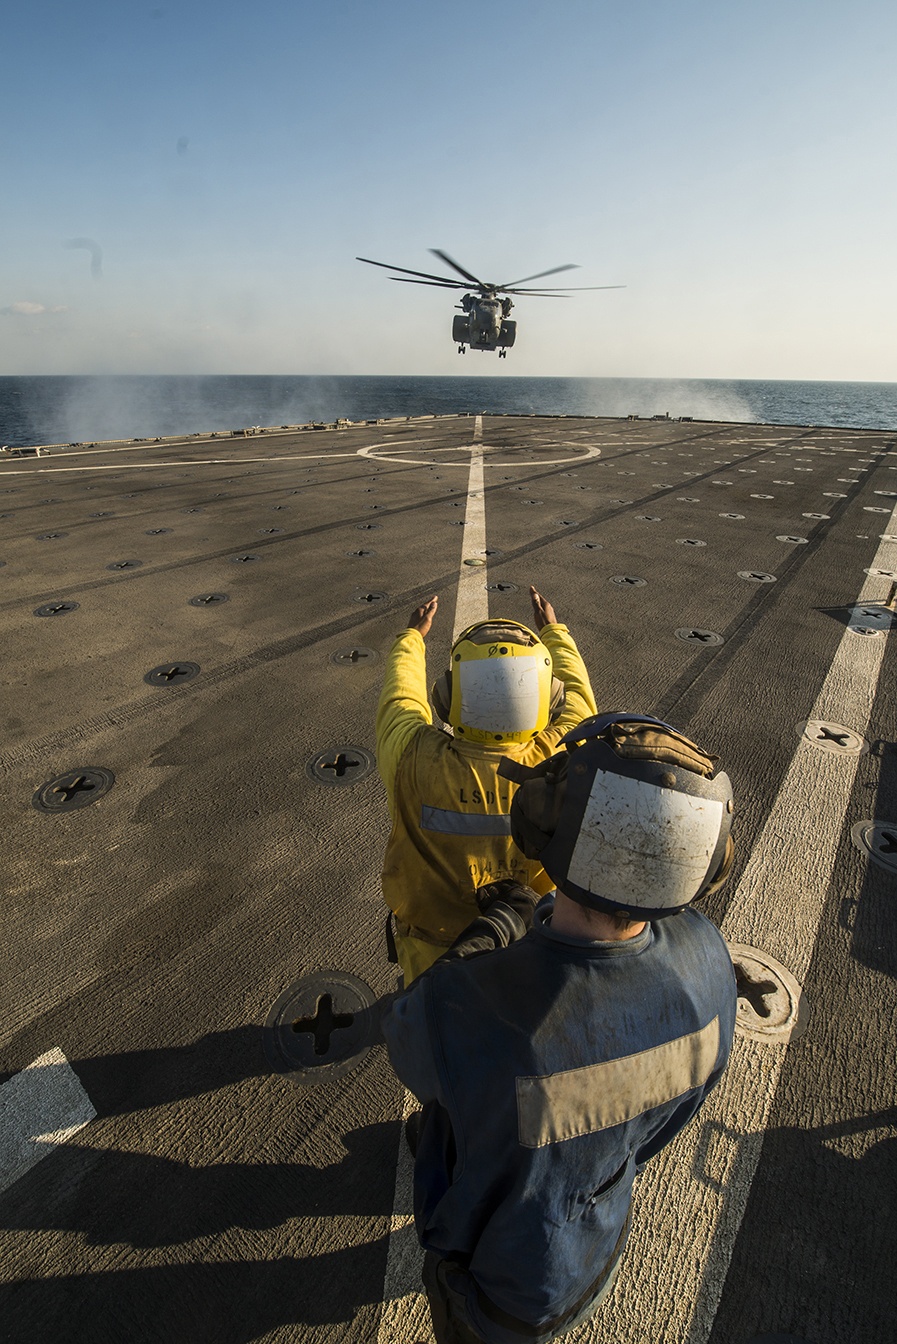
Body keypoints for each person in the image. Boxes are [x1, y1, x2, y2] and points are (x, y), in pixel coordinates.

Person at [380, 711, 738, 1344]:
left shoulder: (474, 1008)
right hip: (592, 1250)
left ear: (547, 821)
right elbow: (660, 1127)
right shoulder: (709, 966)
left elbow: (407, 1041)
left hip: (492, 1284)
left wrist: (488, 937)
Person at [375, 586, 597, 985]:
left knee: (428, 1027)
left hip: (432, 959)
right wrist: (554, 631)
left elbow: (401, 697)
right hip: (532, 948)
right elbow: (579, 696)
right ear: (547, 698)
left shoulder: (413, 756)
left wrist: (412, 638)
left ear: (446, 697)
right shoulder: (565, 758)